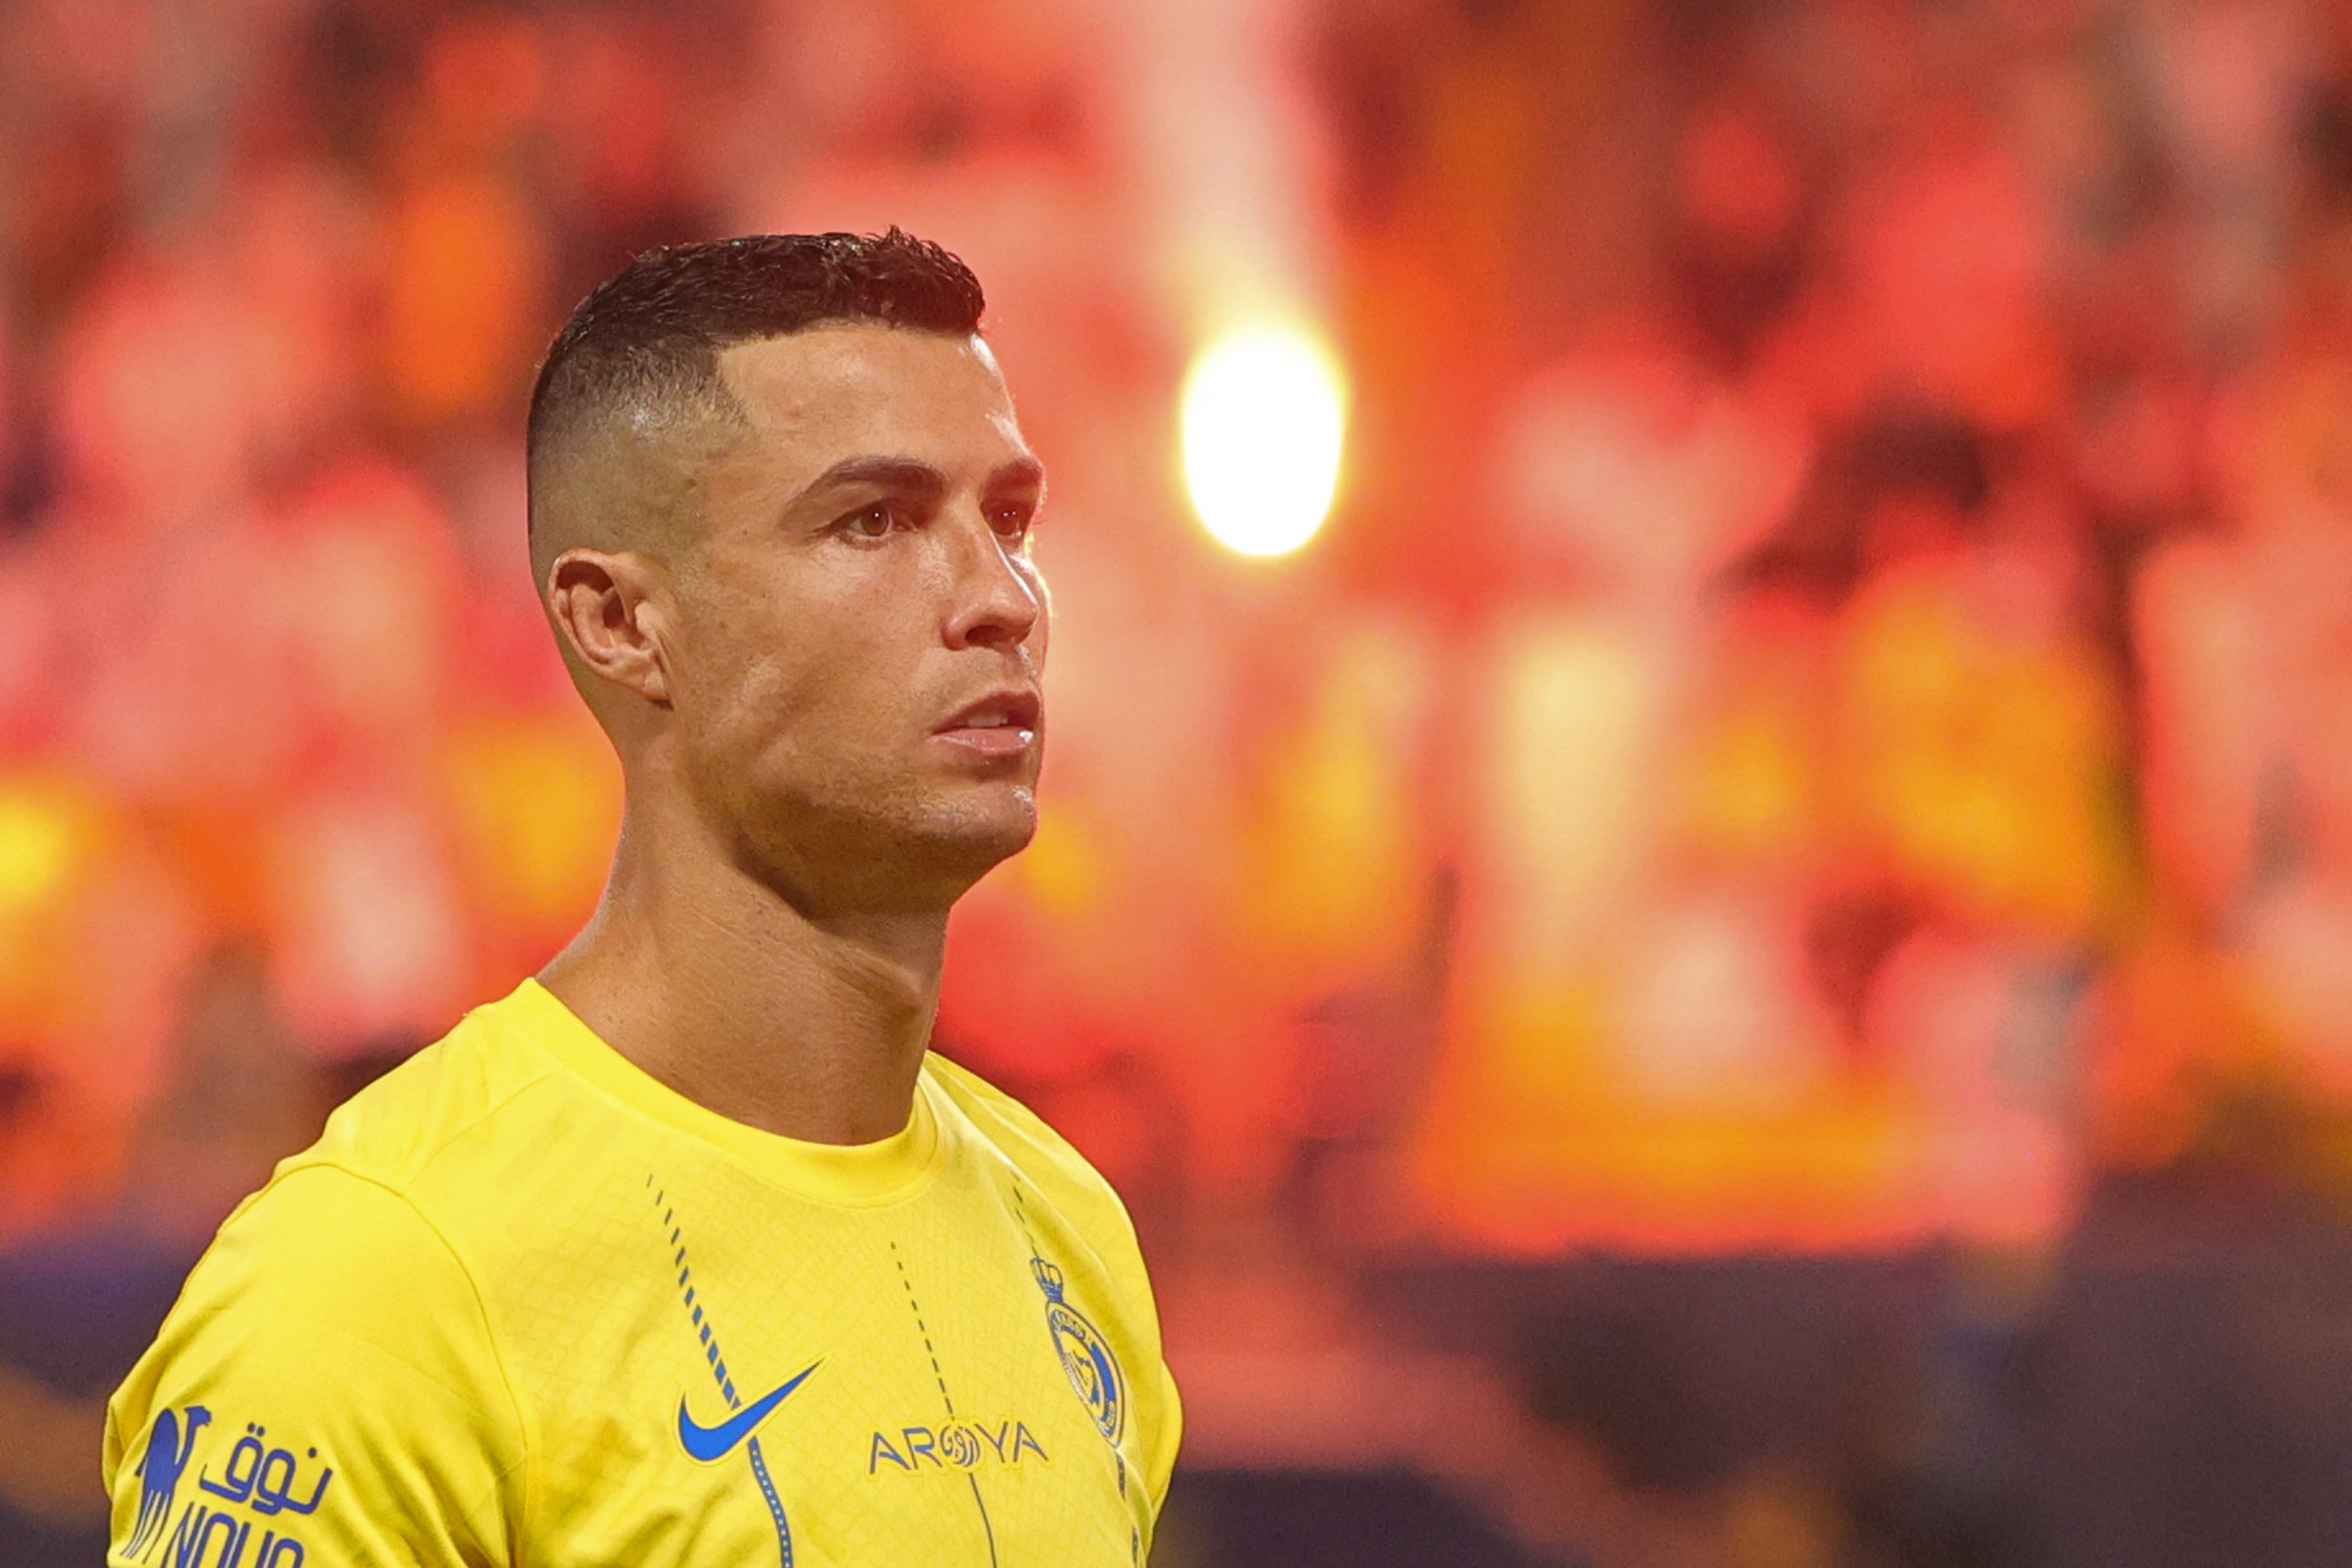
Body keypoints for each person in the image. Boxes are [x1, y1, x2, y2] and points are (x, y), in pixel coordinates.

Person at [101, 231, 1182, 1567]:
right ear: (618, 621)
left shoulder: (1067, 1228)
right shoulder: (374, 1285)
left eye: (1010, 520)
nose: (1000, 598)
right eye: (876, 519)